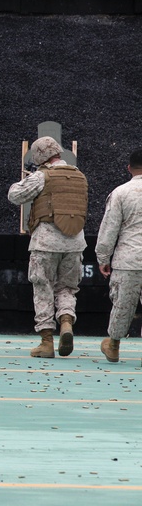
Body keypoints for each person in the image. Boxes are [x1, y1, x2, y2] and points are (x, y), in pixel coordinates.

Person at [7, 136, 87, 358]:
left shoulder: (42, 176)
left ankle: (46, 341)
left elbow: (14, 195)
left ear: (40, 156)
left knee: (43, 288)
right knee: (67, 288)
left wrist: (31, 177)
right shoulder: (79, 176)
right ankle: (67, 321)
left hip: (45, 243)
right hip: (75, 243)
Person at [94, 149, 142, 363]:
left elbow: (109, 229)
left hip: (128, 260)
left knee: (122, 305)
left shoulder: (120, 193)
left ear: (129, 168)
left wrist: (103, 258)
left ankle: (113, 345)